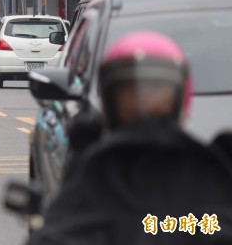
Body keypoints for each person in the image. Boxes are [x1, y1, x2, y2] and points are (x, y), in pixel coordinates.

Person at [29, 32, 232, 245]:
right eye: (132, 94)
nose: (144, 103)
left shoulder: (92, 173)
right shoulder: (209, 170)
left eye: (156, 92)